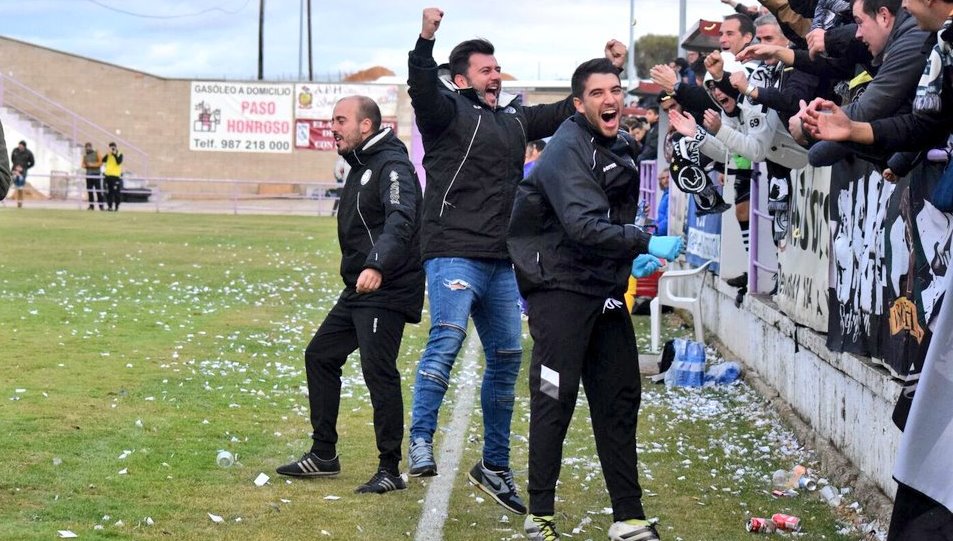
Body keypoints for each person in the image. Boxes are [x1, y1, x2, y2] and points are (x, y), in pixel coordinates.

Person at [405, 6, 628, 515]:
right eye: (487, 69)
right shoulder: (444, 111)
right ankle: (420, 439)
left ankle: (495, 466)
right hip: (452, 252)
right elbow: (421, 86)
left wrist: (606, 66)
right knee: (448, 338)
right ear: (461, 79)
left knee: (507, 359)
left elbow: (572, 109)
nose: (496, 75)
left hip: (503, 261)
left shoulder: (513, 117)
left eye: (497, 68)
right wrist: (425, 41)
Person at [508, 57, 682, 541]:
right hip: (559, 291)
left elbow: (610, 217)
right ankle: (538, 515)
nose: (611, 100)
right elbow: (583, 224)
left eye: (616, 90)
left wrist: (629, 262)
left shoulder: (621, 144)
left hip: (602, 289)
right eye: (599, 93)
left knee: (620, 397)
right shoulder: (566, 148)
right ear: (580, 102)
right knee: (552, 400)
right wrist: (644, 243)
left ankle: (627, 516)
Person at [275, 95, 424, 494]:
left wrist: (377, 264)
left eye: (340, 120)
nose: (333, 128)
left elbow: (402, 220)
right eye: (331, 120)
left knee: (379, 371)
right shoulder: (363, 165)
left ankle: (390, 469)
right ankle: (324, 454)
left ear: (366, 126)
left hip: (387, 286)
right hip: (360, 286)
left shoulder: (392, 166)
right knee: (320, 355)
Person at [81, 143, 104, 211]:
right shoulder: (85, 155)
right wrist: (86, 165)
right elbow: (82, 164)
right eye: (86, 148)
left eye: (89, 147)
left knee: (98, 191)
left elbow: (101, 163)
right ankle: (91, 206)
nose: (87, 149)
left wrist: (92, 165)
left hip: (96, 175)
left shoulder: (97, 153)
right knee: (90, 191)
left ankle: (101, 206)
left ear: (91, 147)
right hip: (88, 175)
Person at [102, 142, 123, 212]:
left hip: (116, 176)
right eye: (111, 147)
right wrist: (108, 153)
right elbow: (103, 160)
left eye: (113, 147)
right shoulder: (109, 154)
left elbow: (118, 162)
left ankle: (116, 207)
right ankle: (110, 207)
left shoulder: (120, 154)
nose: (112, 149)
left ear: (116, 147)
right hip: (108, 175)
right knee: (109, 192)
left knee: (116, 193)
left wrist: (114, 154)